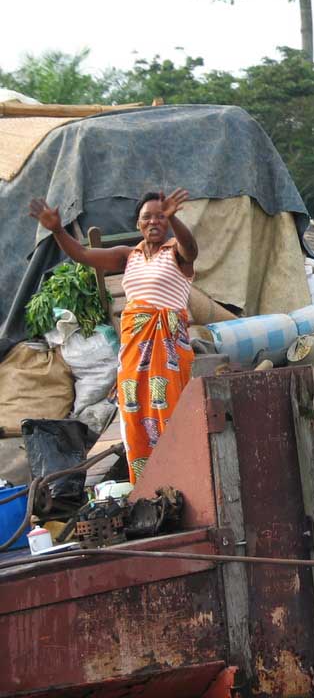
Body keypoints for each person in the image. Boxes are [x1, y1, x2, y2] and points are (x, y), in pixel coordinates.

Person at [29, 190, 197, 483]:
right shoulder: (127, 256)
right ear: (138, 224)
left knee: (170, 412)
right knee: (135, 416)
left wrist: (175, 220)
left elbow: (191, 249)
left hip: (167, 349)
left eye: (161, 216)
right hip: (133, 349)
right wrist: (57, 230)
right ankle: (148, 486)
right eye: (147, 217)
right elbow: (82, 255)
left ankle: (182, 479)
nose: (154, 221)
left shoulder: (176, 252)